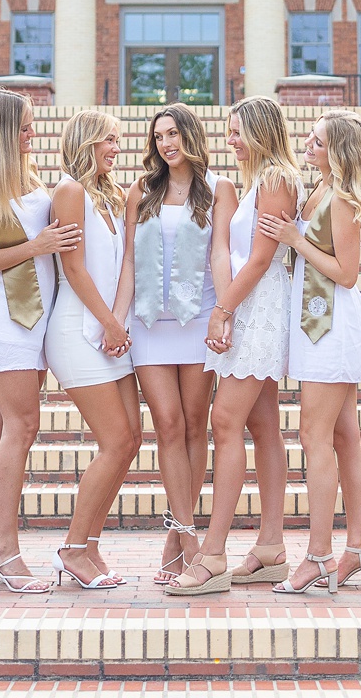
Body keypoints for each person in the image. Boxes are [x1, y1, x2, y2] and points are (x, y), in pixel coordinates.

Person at [167, 95, 303, 596]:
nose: (230, 140)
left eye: (237, 130)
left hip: (257, 310)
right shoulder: (259, 182)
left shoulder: (276, 180)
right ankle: (270, 546)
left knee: (224, 422)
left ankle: (214, 554)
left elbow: (263, 259)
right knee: (263, 424)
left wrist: (223, 309)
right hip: (247, 305)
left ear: (262, 131)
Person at [0, 88, 82, 593]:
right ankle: (4, 549)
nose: (34, 134)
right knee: (22, 427)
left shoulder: (30, 178)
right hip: (7, 318)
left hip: (40, 317)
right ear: (4, 130)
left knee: (7, 427)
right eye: (25, 127)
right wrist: (37, 245)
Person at [259, 108, 361, 595]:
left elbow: (347, 273)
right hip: (316, 322)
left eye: (316, 142)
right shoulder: (318, 191)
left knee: (315, 437)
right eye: (308, 139)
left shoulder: (344, 200)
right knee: (346, 435)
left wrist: (293, 239)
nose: (307, 146)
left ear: (339, 152)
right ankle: (358, 548)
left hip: (331, 326)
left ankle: (318, 555)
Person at [115, 103, 238, 582]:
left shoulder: (218, 189)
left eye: (174, 133)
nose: (167, 143)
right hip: (149, 324)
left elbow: (222, 252)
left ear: (191, 135)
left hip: (198, 320)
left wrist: (225, 313)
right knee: (166, 424)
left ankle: (176, 532)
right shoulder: (141, 192)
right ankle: (188, 534)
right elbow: (128, 262)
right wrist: (116, 319)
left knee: (193, 426)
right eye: (159, 136)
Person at [44, 109, 142, 590]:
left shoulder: (113, 195)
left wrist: (119, 323)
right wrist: (107, 322)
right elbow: (74, 269)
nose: (116, 148)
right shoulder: (69, 191)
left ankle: (90, 545)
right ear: (86, 142)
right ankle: (72, 547)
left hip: (112, 330)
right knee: (116, 440)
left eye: (118, 140)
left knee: (132, 441)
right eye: (109, 140)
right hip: (77, 330)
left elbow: (127, 262)